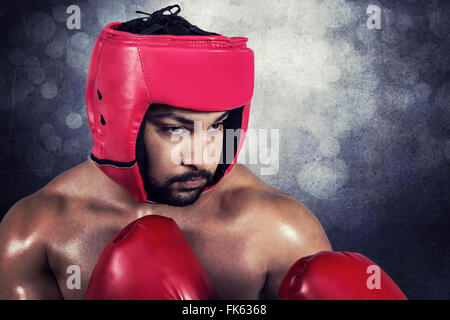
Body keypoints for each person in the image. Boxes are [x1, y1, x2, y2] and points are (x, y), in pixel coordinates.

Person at [0, 5, 406, 300]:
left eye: (215, 127)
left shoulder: (274, 227)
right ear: (118, 120)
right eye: (176, 130)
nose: (202, 157)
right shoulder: (37, 231)